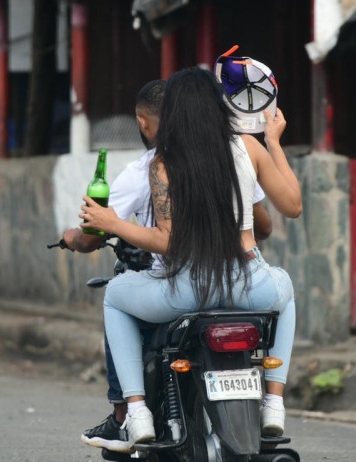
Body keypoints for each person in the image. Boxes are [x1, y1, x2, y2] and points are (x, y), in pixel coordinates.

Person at [80, 67, 302, 448]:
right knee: (286, 288)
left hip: (188, 290)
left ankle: (136, 413)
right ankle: (273, 402)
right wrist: (273, 142)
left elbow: (167, 243)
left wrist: (111, 223)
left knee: (115, 295)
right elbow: (293, 206)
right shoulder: (249, 148)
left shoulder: (163, 165)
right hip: (251, 284)